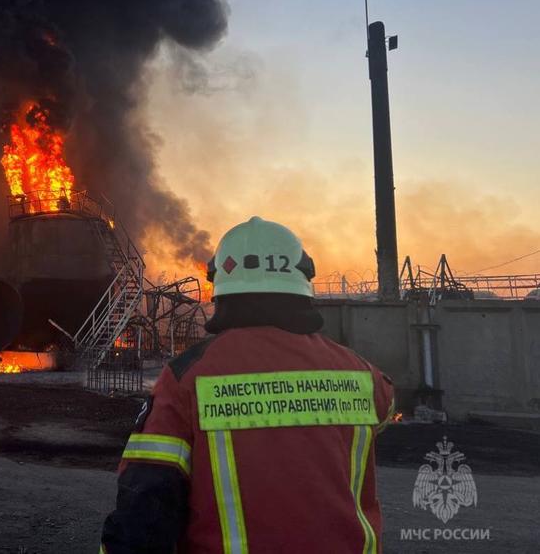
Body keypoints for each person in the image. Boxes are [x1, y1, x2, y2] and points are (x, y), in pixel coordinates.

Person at [100, 217, 395, 554]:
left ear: (221, 289)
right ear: (303, 283)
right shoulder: (360, 372)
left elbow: (144, 508)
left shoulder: (189, 377)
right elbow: (387, 408)